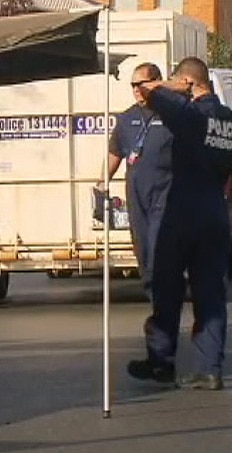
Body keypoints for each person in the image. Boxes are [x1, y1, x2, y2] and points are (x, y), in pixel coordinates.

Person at [129, 57, 232, 390]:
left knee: (167, 286)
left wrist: (174, 85)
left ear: (188, 81)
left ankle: (161, 361)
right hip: (214, 211)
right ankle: (209, 369)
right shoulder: (231, 121)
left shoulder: (188, 115)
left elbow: (147, 87)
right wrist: (227, 207)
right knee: (211, 293)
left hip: (180, 213)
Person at [98, 63, 173, 302]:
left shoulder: (173, 115)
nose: (137, 90)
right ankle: (154, 293)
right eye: (133, 86)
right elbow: (115, 153)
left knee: (157, 245)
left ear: (156, 82)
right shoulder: (127, 118)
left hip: (165, 193)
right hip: (137, 194)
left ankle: (163, 298)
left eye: (141, 84)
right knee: (142, 249)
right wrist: (102, 181)